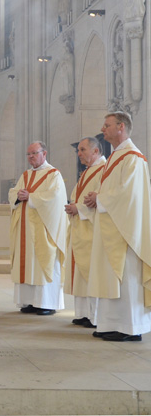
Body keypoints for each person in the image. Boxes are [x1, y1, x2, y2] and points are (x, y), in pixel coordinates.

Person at [86, 112, 151, 342]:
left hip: (126, 230)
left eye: (107, 125)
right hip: (111, 224)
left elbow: (129, 194)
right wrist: (98, 197)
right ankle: (112, 323)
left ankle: (130, 327)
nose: (103, 129)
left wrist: (100, 198)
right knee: (111, 276)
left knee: (127, 277)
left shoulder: (133, 157)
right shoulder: (116, 157)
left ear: (121, 127)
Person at [8, 141, 68, 316]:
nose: (31, 157)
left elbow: (55, 198)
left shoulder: (53, 174)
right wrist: (18, 196)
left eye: (34, 153)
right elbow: (14, 192)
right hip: (25, 229)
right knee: (26, 264)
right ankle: (29, 301)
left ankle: (46, 303)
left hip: (43, 229)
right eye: (28, 154)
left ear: (44, 153)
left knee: (43, 263)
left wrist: (31, 197)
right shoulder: (25, 175)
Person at [64, 137, 106, 329]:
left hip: (92, 229)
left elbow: (97, 200)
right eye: (78, 150)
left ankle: (94, 315)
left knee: (91, 271)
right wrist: (74, 206)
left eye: (82, 149)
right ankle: (83, 313)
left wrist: (78, 208)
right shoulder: (89, 171)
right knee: (80, 272)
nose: (79, 153)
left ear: (95, 151)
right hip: (81, 227)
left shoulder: (104, 170)